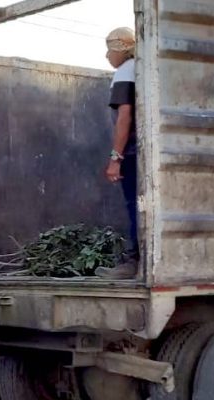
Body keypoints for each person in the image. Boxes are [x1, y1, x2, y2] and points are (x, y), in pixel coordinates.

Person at [97, 27, 139, 279]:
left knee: (134, 205)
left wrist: (116, 157)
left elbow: (125, 115)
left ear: (121, 50)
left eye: (109, 50)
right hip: (140, 151)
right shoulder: (138, 69)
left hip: (132, 152)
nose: (107, 56)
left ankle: (134, 263)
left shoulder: (125, 70)